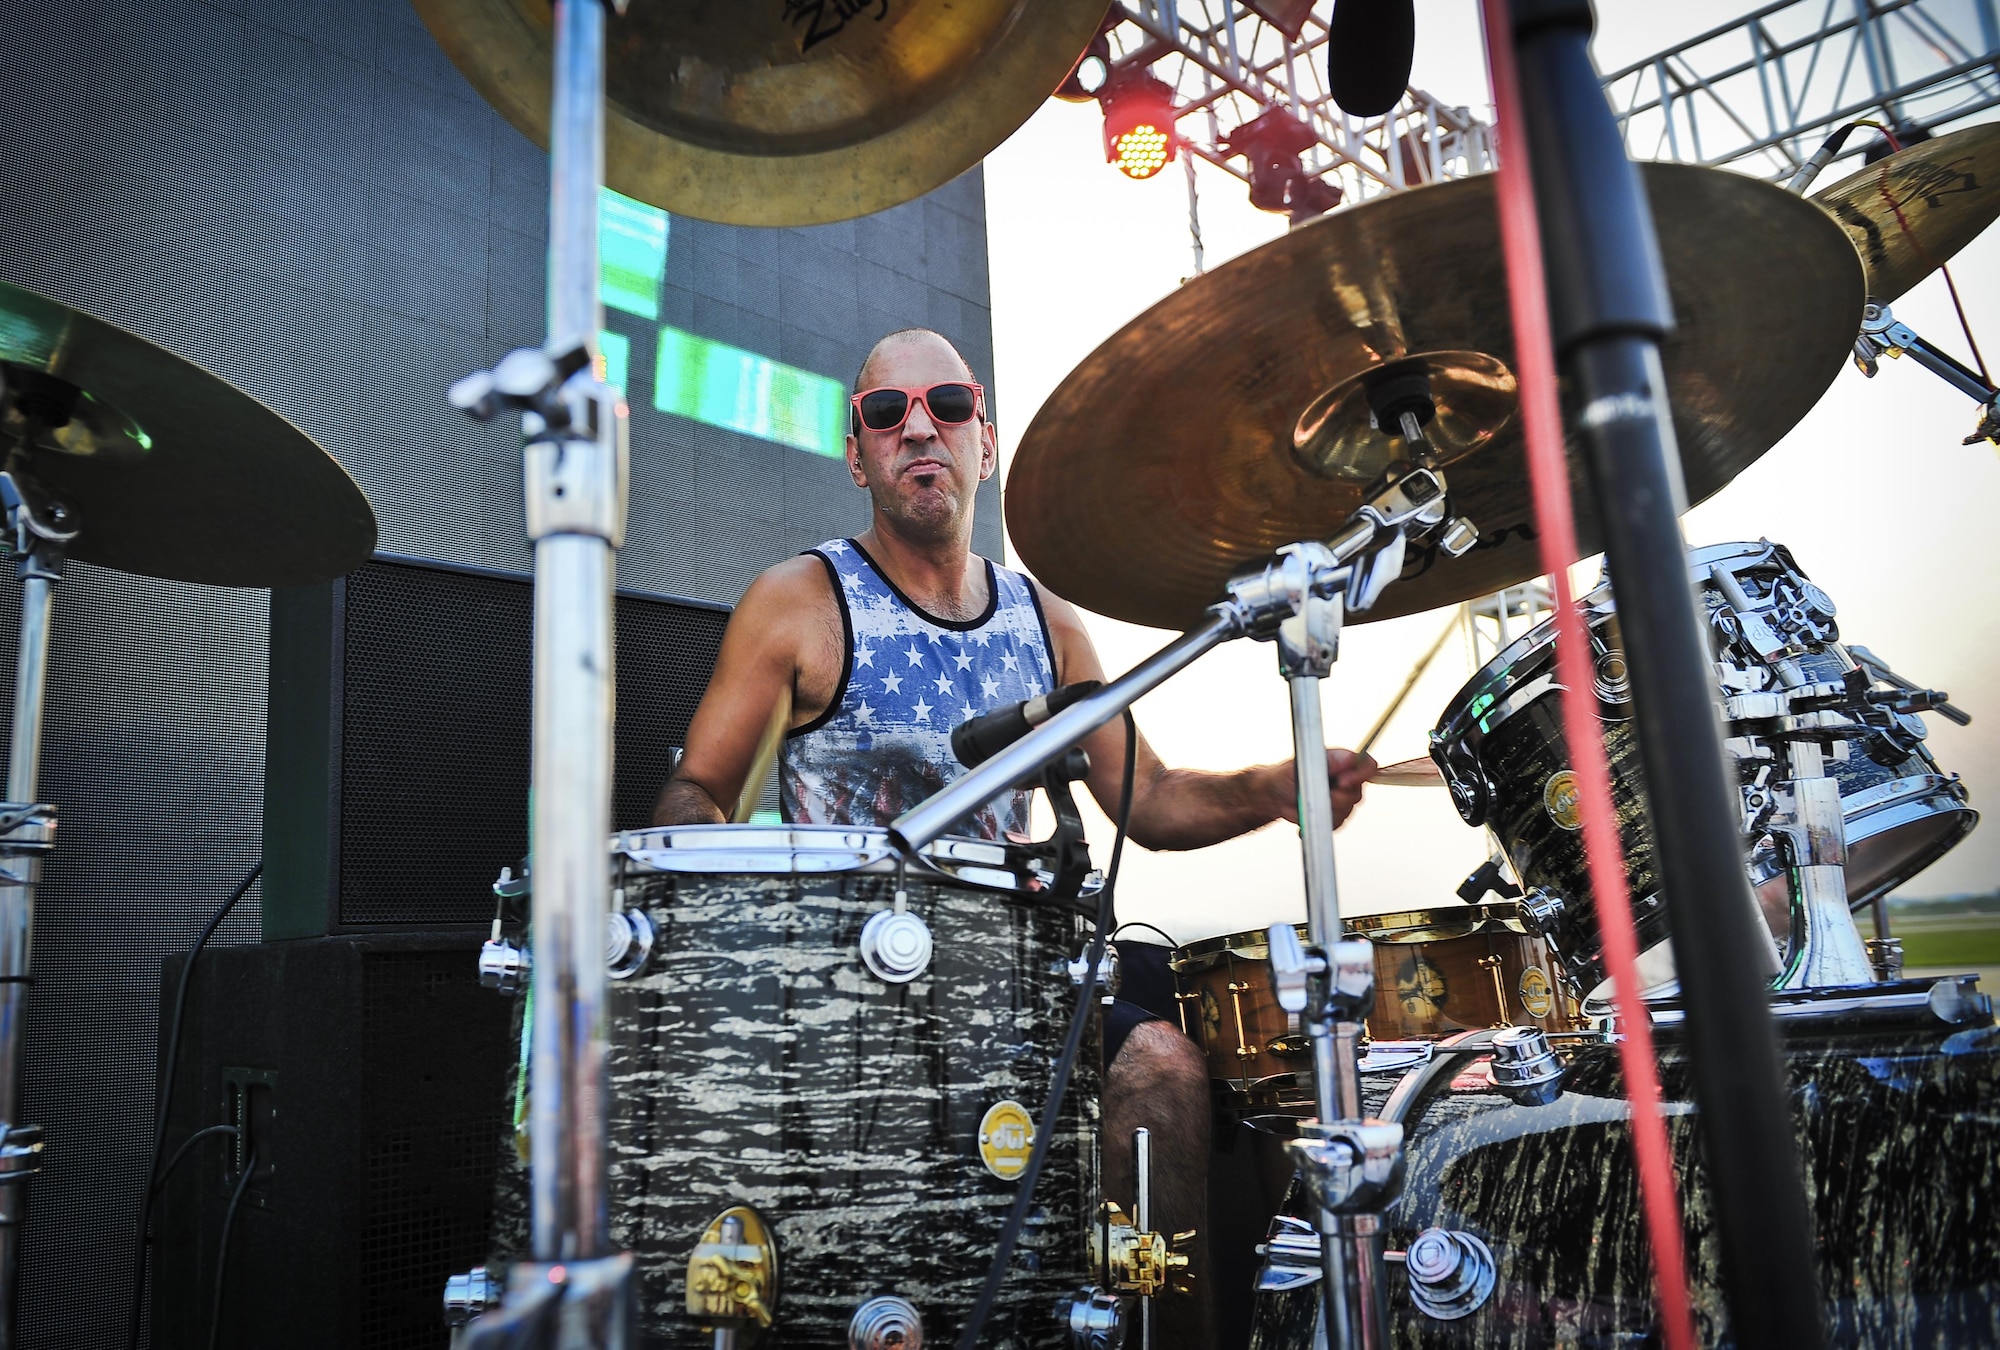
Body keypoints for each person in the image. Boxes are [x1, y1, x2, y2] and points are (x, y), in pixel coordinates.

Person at [657, 327, 1372, 1348]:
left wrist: (1275, 785)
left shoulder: (1047, 624)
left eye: (947, 408)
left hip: (1019, 991)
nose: (919, 430)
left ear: (982, 442)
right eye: (885, 413)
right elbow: (700, 787)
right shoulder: (799, 601)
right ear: (855, 452)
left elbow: (1152, 801)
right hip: (848, 995)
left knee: (1163, 1070)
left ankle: (1149, 1330)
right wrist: (695, 895)